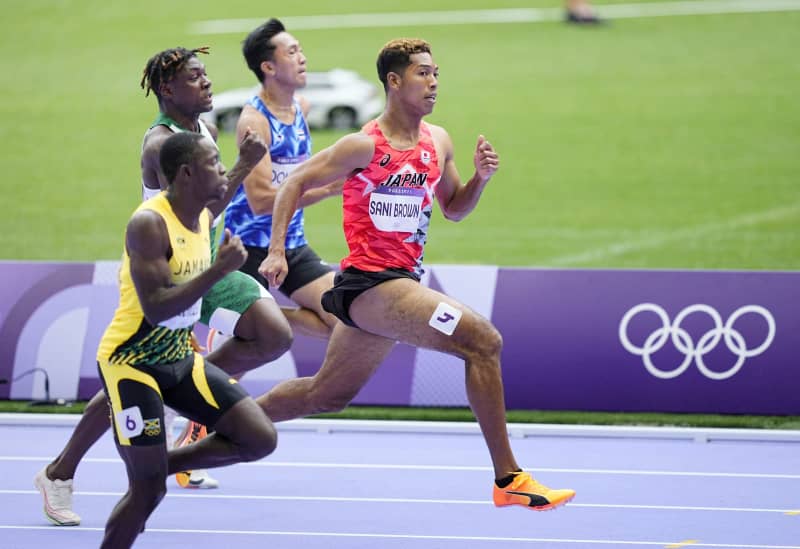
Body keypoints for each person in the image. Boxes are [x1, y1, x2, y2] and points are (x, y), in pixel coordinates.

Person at [257, 38, 576, 511]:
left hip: (398, 286)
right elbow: (295, 184)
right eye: (423, 74)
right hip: (370, 283)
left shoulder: (437, 141)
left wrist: (479, 180)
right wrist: (277, 250)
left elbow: (454, 210)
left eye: (436, 75)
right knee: (483, 342)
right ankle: (509, 479)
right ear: (394, 81)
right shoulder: (362, 145)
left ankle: (221, 416)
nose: (432, 83)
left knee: (325, 395)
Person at [34, 46, 292, 527]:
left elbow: (209, 210)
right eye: (196, 77)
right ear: (168, 89)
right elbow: (198, 212)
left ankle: (182, 403)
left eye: (206, 74)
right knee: (141, 364)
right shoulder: (160, 145)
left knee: (273, 335)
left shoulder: (205, 130)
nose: (208, 82)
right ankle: (62, 471)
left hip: (208, 258)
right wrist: (242, 165)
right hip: (175, 271)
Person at [100, 131, 277, 548]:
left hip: (179, 357)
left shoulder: (198, 212)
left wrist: (246, 162)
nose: (222, 169)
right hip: (132, 363)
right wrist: (217, 270)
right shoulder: (149, 223)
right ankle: (150, 477)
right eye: (214, 162)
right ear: (186, 173)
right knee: (148, 494)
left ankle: (160, 464)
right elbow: (157, 308)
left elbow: (220, 192)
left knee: (259, 438)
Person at [225, 18, 340, 340]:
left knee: (344, 320)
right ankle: (258, 323)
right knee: (249, 349)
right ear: (269, 67)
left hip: (291, 242)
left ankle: (271, 319)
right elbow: (261, 202)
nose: (302, 58)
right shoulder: (255, 122)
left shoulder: (301, 107)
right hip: (248, 247)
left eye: (300, 49)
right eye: (291, 52)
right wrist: (329, 189)